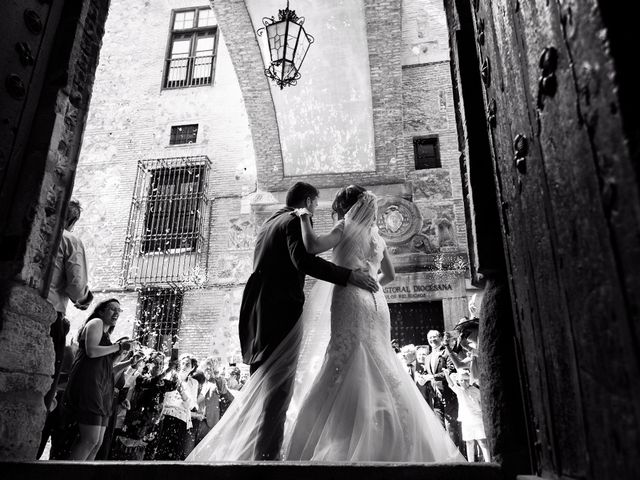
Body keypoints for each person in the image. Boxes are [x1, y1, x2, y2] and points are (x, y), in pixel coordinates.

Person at [187, 185, 463, 462]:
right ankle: (266, 453)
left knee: (340, 359)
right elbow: (379, 274)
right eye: (314, 206)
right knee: (379, 360)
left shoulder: (284, 222)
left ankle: (265, 454)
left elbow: (310, 250)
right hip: (374, 300)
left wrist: (311, 226)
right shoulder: (375, 235)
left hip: (311, 301)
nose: (318, 210)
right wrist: (365, 284)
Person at [232, 181, 378, 460]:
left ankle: (249, 452)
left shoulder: (270, 223)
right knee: (279, 387)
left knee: (261, 383)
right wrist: (348, 276)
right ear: (309, 202)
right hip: (281, 308)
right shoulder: (294, 219)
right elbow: (304, 261)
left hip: (257, 308)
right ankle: (267, 459)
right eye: (315, 203)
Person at [62, 299, 132, 460]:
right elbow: (91, 351)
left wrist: (124, 356)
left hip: (101, 388)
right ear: (101, 311)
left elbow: (105, 365)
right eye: (112, 309)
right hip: (89, 385)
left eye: (118, 311)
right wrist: (119, 346)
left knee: (97, 443)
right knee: (90, 440)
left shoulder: (106, 334)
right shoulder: (96, 322)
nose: (116, 313)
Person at [45, 199, 93, 413]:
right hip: (50, 313)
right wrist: (84, 300)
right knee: (47, 378)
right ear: (72, 220)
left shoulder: (40, 232)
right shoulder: (70, 239)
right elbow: (76, 285)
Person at [423, 329, 461, 449]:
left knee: (451, 427)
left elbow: (450, 371)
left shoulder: (446, 353)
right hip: (435, 397)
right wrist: (423, 378)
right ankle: (445, 455)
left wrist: (433, 376)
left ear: (440, 338)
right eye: (430, 338)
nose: (432, 340)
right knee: (439, 428)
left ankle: (457, 456)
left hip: (448, 395)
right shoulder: (427, 357)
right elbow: (427, 374)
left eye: (434, 337)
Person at [443, 369, 490, 462]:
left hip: (477, 419)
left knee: (482, 442)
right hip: (466, 421)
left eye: (466, 380)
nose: (464, 382)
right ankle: (470, 463)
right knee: (469, 442)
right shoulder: (459, 391)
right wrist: (446, 374)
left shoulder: (476, 391)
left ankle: (488, 462)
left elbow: (483, 405)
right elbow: (451, 385)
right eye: (462, 380)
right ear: (459, 381)